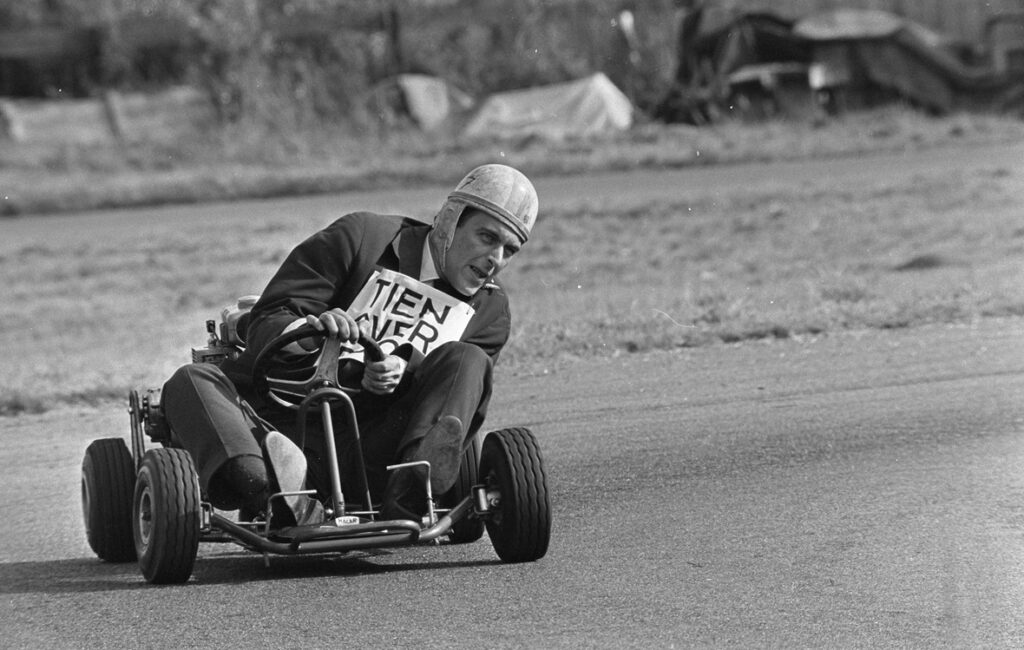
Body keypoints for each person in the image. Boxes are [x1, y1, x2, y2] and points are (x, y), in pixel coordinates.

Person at [159, 163, 539, 525]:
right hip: (284, 418)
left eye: (509, 250)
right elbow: (270, 316)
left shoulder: (490, 311)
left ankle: (413, 489)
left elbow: (455, 394)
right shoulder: (363, 238)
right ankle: (270, 487)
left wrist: (403, 371)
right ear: (449, 221)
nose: (495, 260)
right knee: (190, 381)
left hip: (376, 449)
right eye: (487, 238)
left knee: (468, 360)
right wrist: (309, 331)